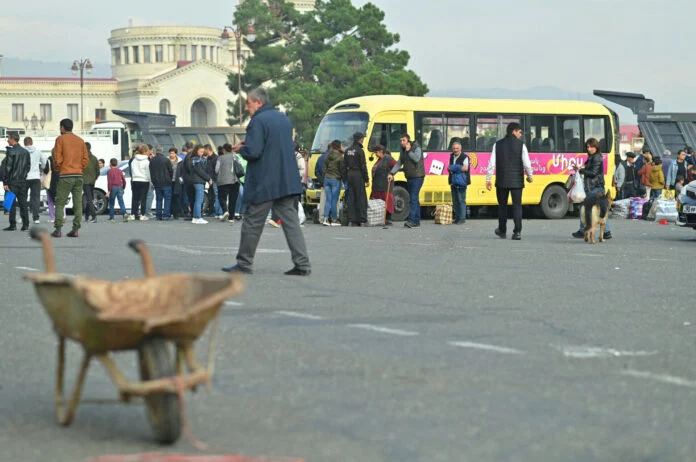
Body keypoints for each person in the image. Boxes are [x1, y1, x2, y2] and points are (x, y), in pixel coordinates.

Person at [222, 87, 311, 276]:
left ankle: (244, 263)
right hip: (286, 180)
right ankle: (302, 263)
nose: (246, 108)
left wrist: (241, 150)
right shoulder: (283, 119)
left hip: (265, 182)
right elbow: (274, 144)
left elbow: (254, 152)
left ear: (258, 102)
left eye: (248, 103)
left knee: (252, 223)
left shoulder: (258, 121)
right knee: (291, 223)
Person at [485, 122, 533, 240]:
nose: (520, 135)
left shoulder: (498, 145)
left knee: (502, 206)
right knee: (517, 206)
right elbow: (527, 163)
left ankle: (502, 230)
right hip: (517, 182)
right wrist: (530, 175)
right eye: (519, 132)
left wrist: (488, 179)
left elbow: (492, 163)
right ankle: (517, 232)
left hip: (501, 181)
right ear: (514, 131)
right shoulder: (522, 145)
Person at [52, 119, 88, 238]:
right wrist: (79, 167)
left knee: (60, 202)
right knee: (78, 203)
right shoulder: (80, 141)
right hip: (78, 175)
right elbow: (85, 160)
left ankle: (58, 229)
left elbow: (57, 158)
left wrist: (60, 168)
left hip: (66, 174)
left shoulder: (60, 139)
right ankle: (76, 228)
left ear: (62, 127)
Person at [571, 138, 611, 240]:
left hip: (595, 187)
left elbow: (593, 173)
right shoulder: (592, 157)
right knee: (600, 208)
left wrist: (581, 170)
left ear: (596, 147)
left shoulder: (597, 157)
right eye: (588, 147)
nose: (589, 149)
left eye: (591, 147)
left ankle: (584, 230)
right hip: (592, 187)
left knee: (588, 208)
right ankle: (606, 231)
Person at [391, 133, 424, 228]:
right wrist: (391, 173)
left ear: (408, 140)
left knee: (413, 198)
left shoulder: (416, 147)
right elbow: (399, 163)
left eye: (404, 140)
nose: (402, 142)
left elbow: (416, 159)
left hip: (417, 177)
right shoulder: (403, 150)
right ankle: (416, 220)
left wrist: (409, 151)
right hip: (409, 176)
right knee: (415, 199)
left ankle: (411, 220)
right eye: (401, 141)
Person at [3, 133, 31, 231]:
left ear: (12, 139)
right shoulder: (25, 152)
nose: (7, 140)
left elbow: (8, 168)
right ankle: (26, 224)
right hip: (23, 181)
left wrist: (5, 182)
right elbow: (28, 166)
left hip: (12, 181)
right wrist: (24, 175)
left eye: (8, 138)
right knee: (23, 203)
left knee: (11, 203)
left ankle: (13, 225)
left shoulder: (11, 151)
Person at [341, 133, 369, 226]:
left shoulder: (347, 150)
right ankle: (361, 218)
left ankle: (352, 219)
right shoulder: (360, 151)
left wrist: (345, 178)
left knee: (351, 197)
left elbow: (344, 166)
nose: (363, 140)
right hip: (358, 175)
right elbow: (363, 166)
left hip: (350, 175)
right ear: (360, 139)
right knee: (360, 196)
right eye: (362, 139)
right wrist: (366, 179)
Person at [182, 145, 212, 224]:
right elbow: (200, 171)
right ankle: (197, 217)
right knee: (199, 200)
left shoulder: (194, 159)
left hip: (195, 181)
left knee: (197, 200)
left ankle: (195, 217)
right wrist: (208, 178)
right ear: (196, 151)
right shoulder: (196, 159)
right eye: (200, 152)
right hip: (198, 181)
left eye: (203, 152)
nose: (202, 153)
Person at [23, 137, 48, 224]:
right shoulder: (38, 151)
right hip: (35, 177)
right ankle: (36, 217)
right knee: (35, 198)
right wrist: (41, 169)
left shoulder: (22, 151)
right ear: (32, 142)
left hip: (24, 178)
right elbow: (44, 162)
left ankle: (23, 217)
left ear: (24, 143)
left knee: (23, 198)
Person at [371, 145, 397, 225]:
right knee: (378, 201)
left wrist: (391, 174)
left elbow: (396, 166)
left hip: (385, 184)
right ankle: (380, 218)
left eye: (376, 152)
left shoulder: (388, 158)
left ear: (381, 151)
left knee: (387, 200)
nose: (375, 154)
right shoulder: (379, 160)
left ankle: (388, 218)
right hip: (377, 185)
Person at [216, 143, 241, 222]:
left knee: (221, 197)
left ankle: (225, 211)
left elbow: (216, 170)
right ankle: (231, 218)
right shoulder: (235, 157)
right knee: (233, 200)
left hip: (223, 181)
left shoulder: (220, 158)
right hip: (235, 181)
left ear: (224, 150)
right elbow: (240, 166)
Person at [149, 145, 174, 220]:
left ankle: (158, 215)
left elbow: (151, 172)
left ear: (156, 151)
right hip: (166, 182)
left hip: (157, 183)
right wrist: (169, 178)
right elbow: (171, 171)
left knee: (159, 200)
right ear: (162, 151)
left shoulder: (152, 160)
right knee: (167, 199)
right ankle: (166, 215)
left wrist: (154, 181)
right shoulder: (166, 160)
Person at [322, 140, 344, 226]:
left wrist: (325, 177)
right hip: (335, 179)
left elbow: (324, 168)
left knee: (328, 200)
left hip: (327, 179)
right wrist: (343, 179)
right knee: (334, 201)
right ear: (339, 146)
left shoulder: (328, 155)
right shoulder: (340, 157)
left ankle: (325, 219)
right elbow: (342, 170)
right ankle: (334, 220)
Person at [448, 141, 470, 224]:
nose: (455, 150)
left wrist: (454, 167)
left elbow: (465, 168)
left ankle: (462, 218)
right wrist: (455, 168)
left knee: (461, 200)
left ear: (460, 148)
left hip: (461, 182)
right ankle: (457, 218)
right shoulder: (451, 156)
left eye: (457, 148)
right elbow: (450, 168)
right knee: (455, 201)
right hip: (453, 181)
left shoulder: (465, 157)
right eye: (454, 148)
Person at [129, 144, 151, 221]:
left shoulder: (134, 160)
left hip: (135, 179)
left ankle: (133, 214)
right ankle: (142, 214)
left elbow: (132, 170)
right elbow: (148, 172)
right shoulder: (146, 161)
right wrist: (149, 180)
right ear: (145, 151)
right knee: (143, 198)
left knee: (135, 198)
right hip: (144, 180)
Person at [82, 142, 100, 224]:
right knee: (90, 198)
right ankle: (86, 215)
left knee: (89, 199)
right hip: (92, 181)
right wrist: (94, 178)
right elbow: (98, 171)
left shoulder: (82, 158)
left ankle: (94, 216)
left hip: (84, 181)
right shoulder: (94, 158)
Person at [314, 143, 330, 223]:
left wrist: (321, 181)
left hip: (324, 183)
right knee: (335, 200)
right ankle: (333, 218)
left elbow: (316, 171)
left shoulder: (320, 158)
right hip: (334, 182)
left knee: (323, 200)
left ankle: (322, 218)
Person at [43, 151, 61, 223]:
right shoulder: (61, 159)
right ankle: (62, 215)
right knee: (61, 199)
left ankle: (52, 217)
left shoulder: (50, 160)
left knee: (50, 200)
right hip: (60, 181)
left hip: (51, 182)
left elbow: (46, 170)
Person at [168, 148, 183, 219]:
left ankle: (176, 213)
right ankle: (169, 212)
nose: (171, 155)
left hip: (177, 181)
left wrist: (181, 179)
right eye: (170, 153)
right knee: (169, 197)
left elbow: (183, 171)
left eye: (173, 153)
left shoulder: (180, 161)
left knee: (176, 197)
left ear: (176, 154)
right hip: (169, 181)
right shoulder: (166, 160)